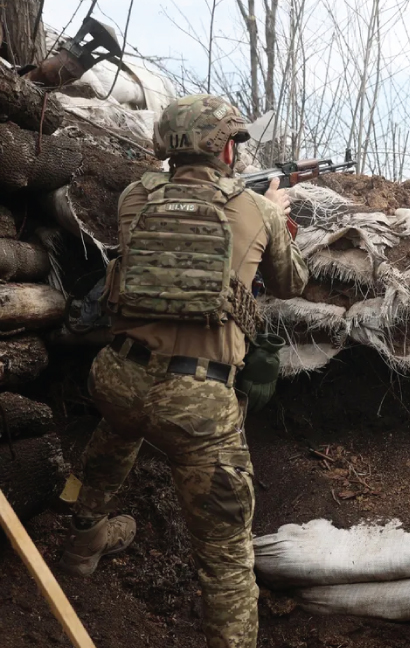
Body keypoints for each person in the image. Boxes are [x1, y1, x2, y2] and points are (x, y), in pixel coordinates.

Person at [59, 94, 309, 648]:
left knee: (116, 437)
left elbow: (164, 193)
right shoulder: (256, 209)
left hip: (118, 378)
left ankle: (82, 543)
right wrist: (277, 213)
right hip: (197, 402)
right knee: (225, 557)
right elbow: (293, 283)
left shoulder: (133, 197)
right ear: (225, 146)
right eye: (233, 142)